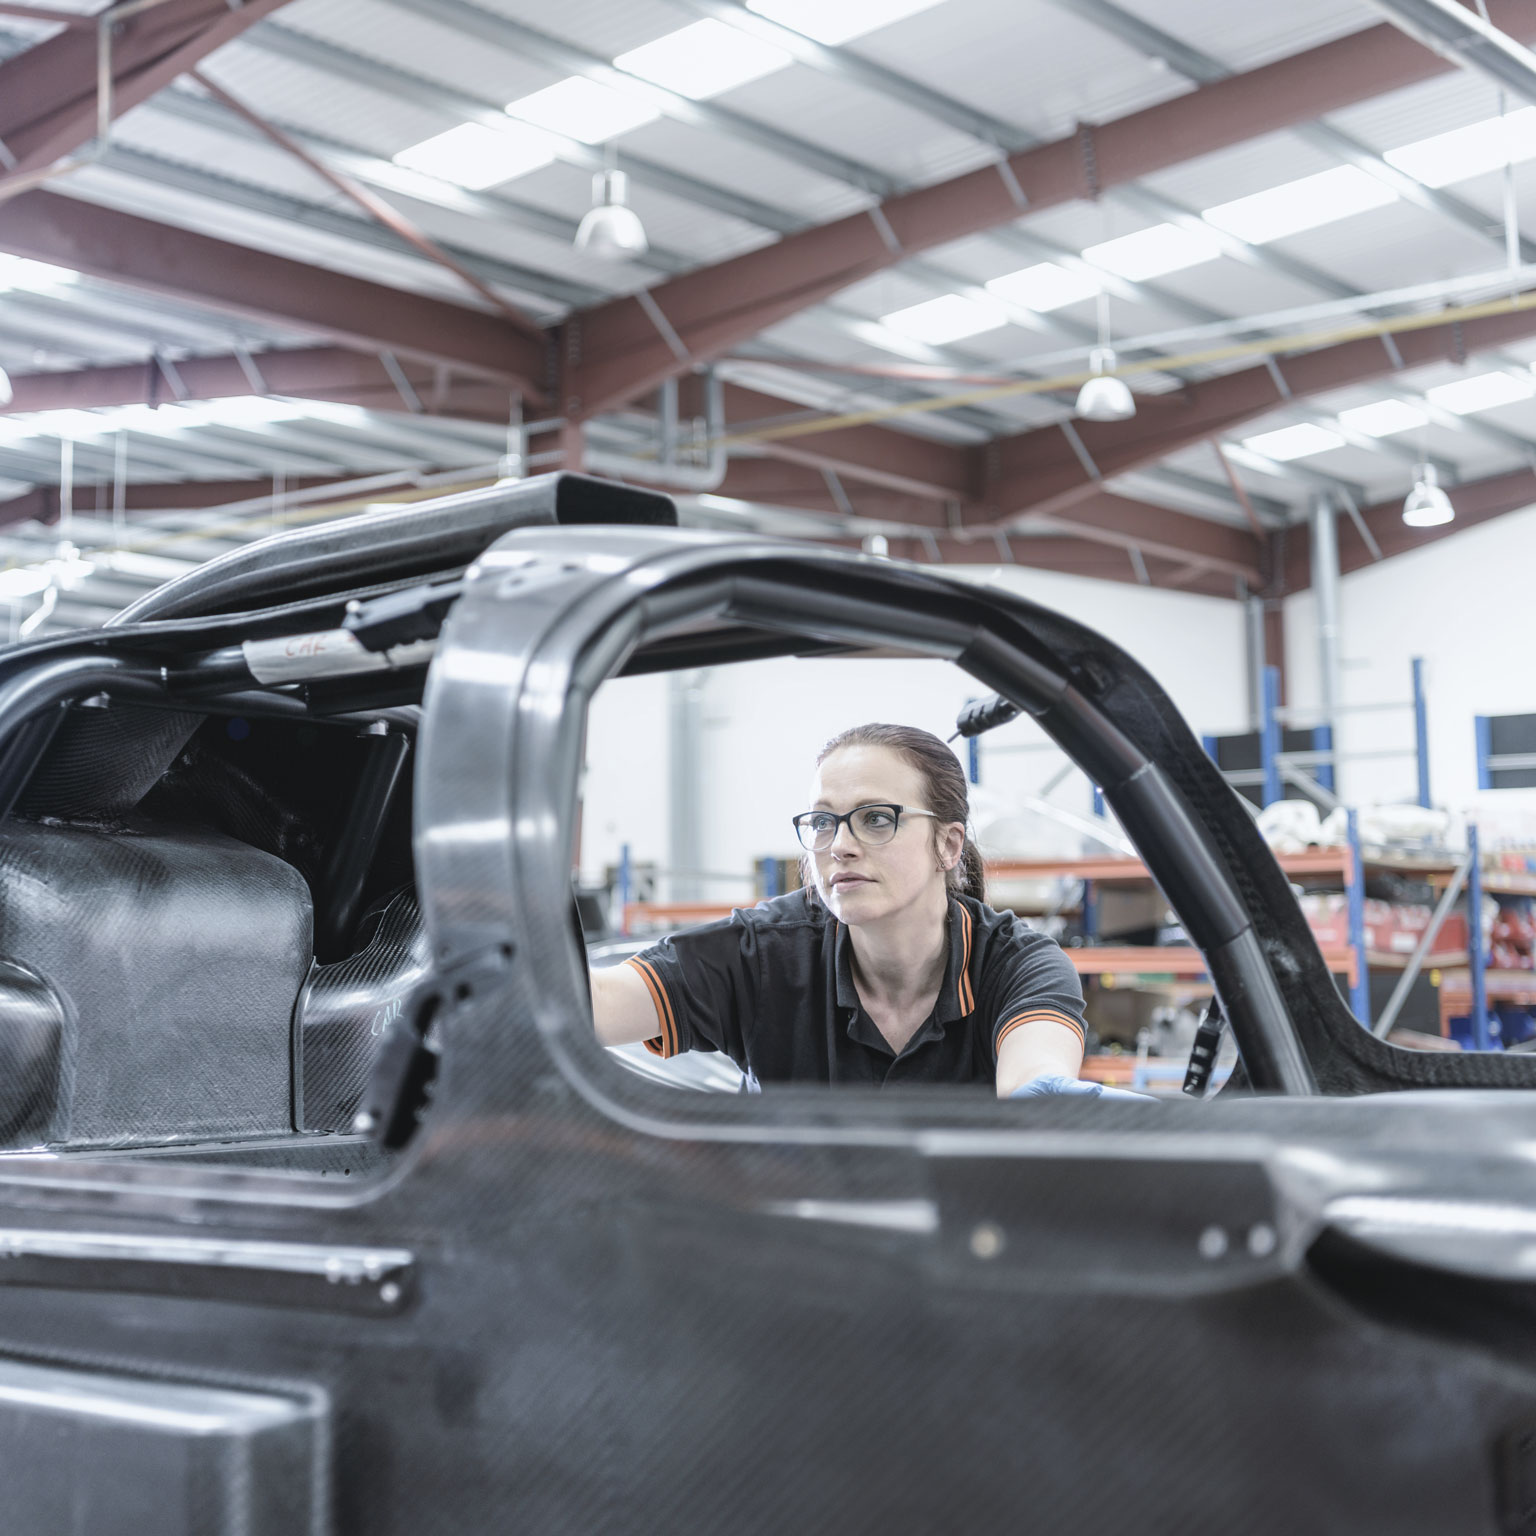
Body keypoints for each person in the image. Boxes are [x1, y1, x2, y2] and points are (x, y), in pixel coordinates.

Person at [590, 722, 1116, 1098]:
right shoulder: (764, 954)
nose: (839, 844)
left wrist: (1054, 1102)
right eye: (822, 823)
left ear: (948, 845)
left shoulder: (1017, 965)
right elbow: (595, 1005)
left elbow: (1037, 1082)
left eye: (876, 819)